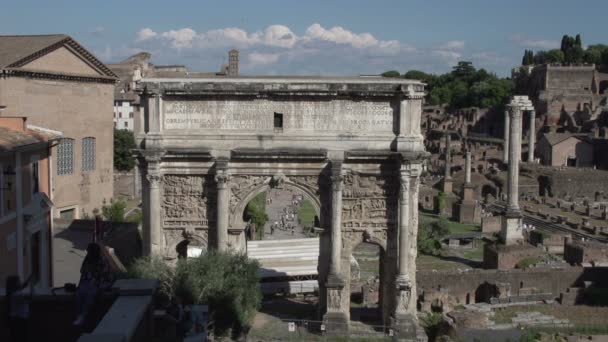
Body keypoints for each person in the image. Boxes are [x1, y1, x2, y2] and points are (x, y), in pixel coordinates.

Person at [73, 243, 113, 326]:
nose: (88, 253)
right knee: (79, 294)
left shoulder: (102, 261)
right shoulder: (87, 259)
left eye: (89, 252)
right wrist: (80, 285)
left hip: (102, 283)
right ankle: (79, 315)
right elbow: (83, 273)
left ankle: (83, 315)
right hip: (90, 282)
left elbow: (103, 277)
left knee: (91, 294)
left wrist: (94, 282)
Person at [5, 275, 33, 342]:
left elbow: (22, 286)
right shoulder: (17, 295)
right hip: (19, 320)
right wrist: (32, 286)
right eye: (19, 281)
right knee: (21, 337)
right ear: (15, 284)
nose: (20, 282)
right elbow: (30, 297)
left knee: (15, 337)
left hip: (15, 319)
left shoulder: (12, 293)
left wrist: (28, 279)